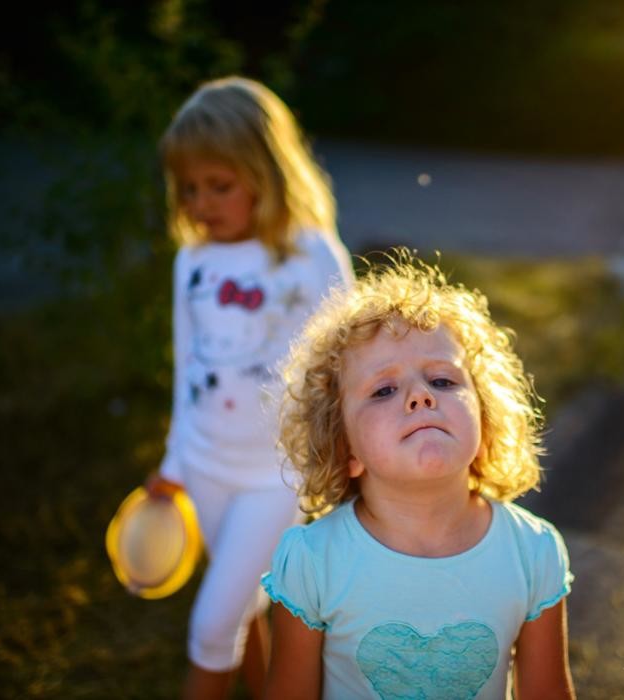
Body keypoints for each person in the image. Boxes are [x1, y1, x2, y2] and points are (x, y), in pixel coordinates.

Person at [262, 255, 576, 699]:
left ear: (485, 419)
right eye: (384, 390)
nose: (420, 396)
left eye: (443, 381)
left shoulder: (532, 553)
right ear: (345, 447)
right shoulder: (313, 562)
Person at [147, 75, 354, 700]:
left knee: (211, 624)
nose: (201, 203)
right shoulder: (194, 262)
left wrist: (346, 451)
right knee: (244, 606)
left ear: (263, 176)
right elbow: (189, 368)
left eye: (219, 186)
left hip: (275, 474)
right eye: (189, 188)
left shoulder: (308, 254)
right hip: (207, 465)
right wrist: (175, 461)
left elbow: (346, 357)